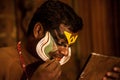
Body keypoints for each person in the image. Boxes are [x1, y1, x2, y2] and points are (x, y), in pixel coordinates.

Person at [0, 0, 120, 80]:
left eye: (69, 46)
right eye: (61, 43)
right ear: (38, 30)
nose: (65, 52)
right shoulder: (3, 61)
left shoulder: (58, 70)